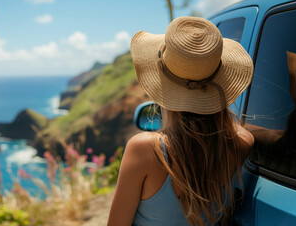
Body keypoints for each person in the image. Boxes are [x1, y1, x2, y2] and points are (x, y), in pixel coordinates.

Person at [107, 17, 255, 226]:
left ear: (163, 86)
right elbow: (240, 131)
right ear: (220, 81)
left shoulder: (144, 150)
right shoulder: (242, 143)